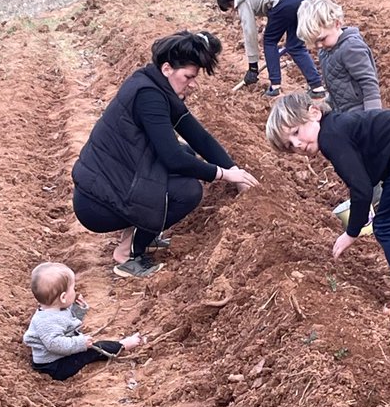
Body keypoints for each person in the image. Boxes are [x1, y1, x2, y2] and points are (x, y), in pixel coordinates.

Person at [72, 31, 259, 278]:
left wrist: (235, 172)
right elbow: (172, 159)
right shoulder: (148, 97)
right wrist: (223, 174)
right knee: (188, 192)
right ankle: (129, 253)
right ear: (168, 68)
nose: (193, 84)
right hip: (96, 203)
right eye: (189, 77)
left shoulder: (153, 84)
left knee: (187, 151)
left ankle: (139, 231)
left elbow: (198, 136)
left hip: (113, 181)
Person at [266, 93, 390, 320]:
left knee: (385, 227)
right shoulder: (340, 126)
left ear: (314, 113)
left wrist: (351, 232)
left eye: (296, 132)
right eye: (290, 145)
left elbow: (361, 189)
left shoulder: (330, 136)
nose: (297, 144)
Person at [215, 0, 326, 100]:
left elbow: (250, 33)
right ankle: (317, 87)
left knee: (269, 41)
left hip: (285, 0)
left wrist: (253, 67)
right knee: (295, 46)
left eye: (230, 6)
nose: (234, 10)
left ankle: (275, 86)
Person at [24, 262, 143, 381]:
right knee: (94, 350)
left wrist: (78, 309)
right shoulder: (47, 321)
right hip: (54, 367)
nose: (75, 291)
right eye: (73, 288)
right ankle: (123, 345)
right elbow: (55, 344)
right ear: (63, 297)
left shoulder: (53, 309)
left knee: (89, 347)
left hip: (56, 359)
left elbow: (68, 323)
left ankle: (118, 345)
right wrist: (80, 343)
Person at [296, 0, 382, 114]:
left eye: (322, 39)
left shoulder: (351, 47)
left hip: (359, 112)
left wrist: (372, 117)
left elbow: (369, 83)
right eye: (314, 42)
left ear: (337, 24)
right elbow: (335, 85)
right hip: (342, 111)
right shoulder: (325, 52)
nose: (319, 46)